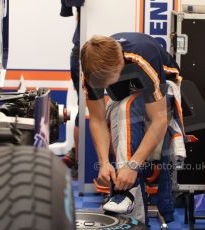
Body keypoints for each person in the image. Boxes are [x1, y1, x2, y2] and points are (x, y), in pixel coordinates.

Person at [81, 33, 186, 224]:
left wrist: (132, 165)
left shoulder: (143, 57)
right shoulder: (92, 70)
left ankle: (125, 193)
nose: (104, 86)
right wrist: (104, 162)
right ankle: (131, 214)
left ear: (120, 64)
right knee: (116, 109)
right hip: (129, 95)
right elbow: (97, 120)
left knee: (125, 108)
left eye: (108, 82)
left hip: (166, 89)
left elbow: (159, 119)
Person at [60, 0, 84, 172]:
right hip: (86, 49)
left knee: (86, 106)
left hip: (86, 48)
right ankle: (79, 159)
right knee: (87, 107)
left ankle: (77, 155)